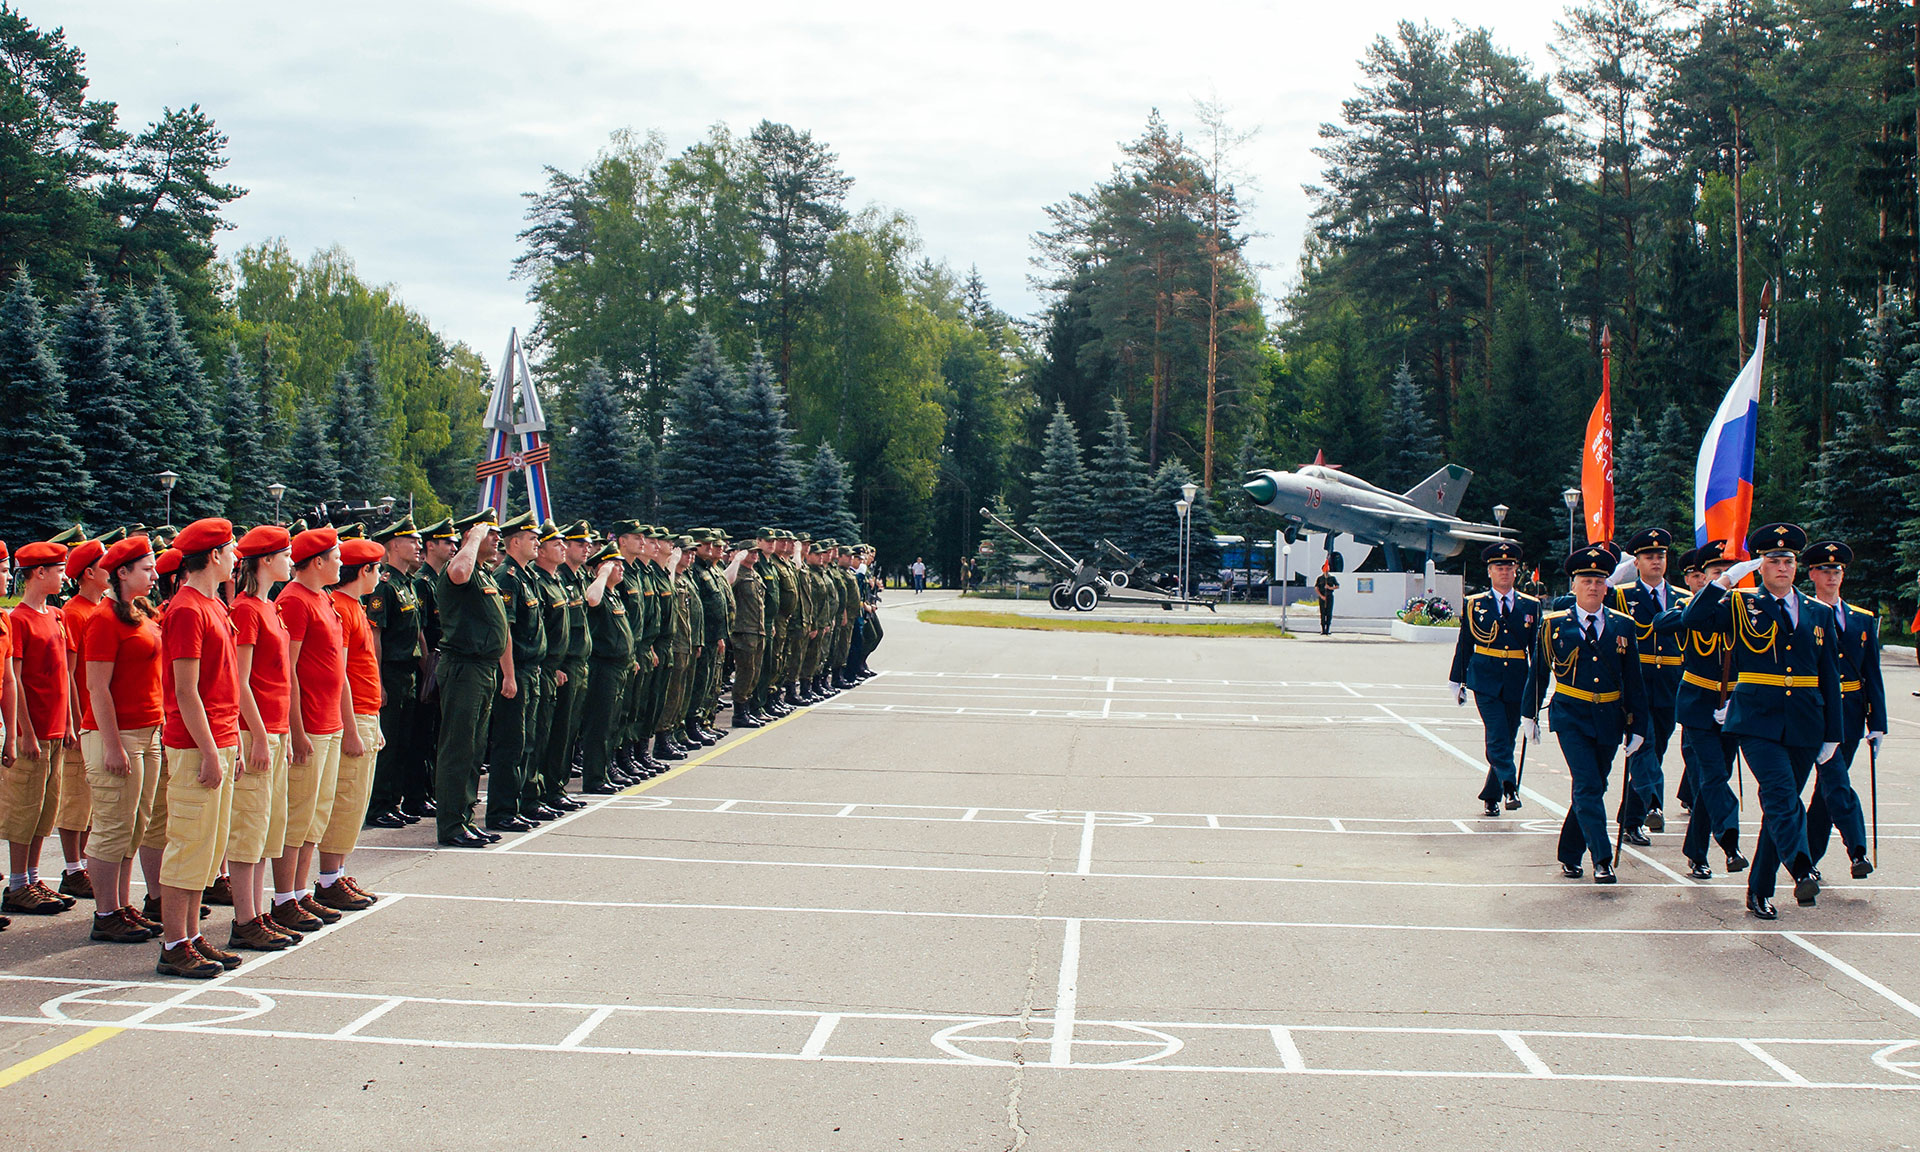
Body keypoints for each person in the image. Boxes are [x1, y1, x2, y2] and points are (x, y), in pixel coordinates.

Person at [1681, 522, 1842, 919]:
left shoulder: (1819, 612)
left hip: (1805, 721)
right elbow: (1693, 619)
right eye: (1773, 560)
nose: (1782, 567)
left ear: (1796, 566)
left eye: (1788, 561)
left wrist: (1833, 733)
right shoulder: (1740, 604)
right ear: (1760, 566)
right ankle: (1802, 867)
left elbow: (1829, 676)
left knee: (1780, 810)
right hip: (1755, 719)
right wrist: (1726, 581)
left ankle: (1759, 890)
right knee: (1781, 794)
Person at [1523, 544, 1651, 885]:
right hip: (1571, 715)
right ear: (1574, 585)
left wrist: (1639, 725)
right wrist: (1529, 715)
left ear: (1607, 586)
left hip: (1609, 715)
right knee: (1589, 784)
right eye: (1586, 581)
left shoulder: (1623, 626)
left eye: (1598, 581)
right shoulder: (1554, 625)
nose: (1593, 587)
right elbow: (1539, 673)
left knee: (1593, 786)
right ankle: (1602, 858)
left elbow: (1634, 680)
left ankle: (1569, 852)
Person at [155, 518, 244, 978]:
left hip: (218, 738)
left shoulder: (212, 604)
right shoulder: (188, 609)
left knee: (207, 849)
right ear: (213, 556)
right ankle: (174, 944)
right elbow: (185, 691)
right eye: (230, 549)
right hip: (195, 744)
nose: (236, 556)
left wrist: (231, 742)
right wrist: (210, 751)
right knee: (188, 845)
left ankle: (190, 935)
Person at [80, 535, 168, 943]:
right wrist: (113, 746)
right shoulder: (103, 619)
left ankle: (121, 904)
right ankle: (106, 913)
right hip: (116, 735)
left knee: (136, 826)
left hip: (147, 732)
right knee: (112, 826)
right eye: (146, 569)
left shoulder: (140, 612)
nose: (154, 576)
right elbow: (97, 688)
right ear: (122, 572)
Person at [270, 526, 354, 936]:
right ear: (317, 561)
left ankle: (301, 892)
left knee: (315, 816)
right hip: (310, 724)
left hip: (329, 721)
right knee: (298, 814)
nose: (341, 563)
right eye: (336, 557)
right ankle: (284, 897)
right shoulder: (294, 600)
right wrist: (297, 729)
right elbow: (287, 670)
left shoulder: (323, 597)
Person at [226, 525, 301, 951]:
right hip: (255, 729)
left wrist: (282, 732)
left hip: (274, 730)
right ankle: (245, 919)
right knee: (248, 829)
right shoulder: (246, 610)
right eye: (285, 555)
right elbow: (240, 681)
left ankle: (257, 914)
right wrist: (256, 734)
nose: (290, 561)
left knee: (266, 830)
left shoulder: (269, 606)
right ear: (266, 561)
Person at [1664, 543, 1747, 880]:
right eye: (1715, 574)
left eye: (1728, 574)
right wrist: (1713, 593)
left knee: (1712, 783)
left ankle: (1696, 853)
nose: (1723, 579)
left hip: (1733, 707)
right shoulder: (1688, 609)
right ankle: (1730, 841)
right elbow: (1663, 623)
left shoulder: (1747, 613)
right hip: (1698, 707)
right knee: (1712, 776)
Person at [4, 540, 77, 916]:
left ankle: (33, 878)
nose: (64, 576)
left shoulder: (56, 615)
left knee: (46, 809)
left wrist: (68, 722)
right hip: (33, 731)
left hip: (55, 728)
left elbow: (64, 675)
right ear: (39, 573)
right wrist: (25, 732)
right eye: (59, 570)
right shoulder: (18, 619)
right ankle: (18, 884)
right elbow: (14, 679)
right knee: (25, 809)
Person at [312, 537, 385, 910]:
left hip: (365, 713)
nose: (380, 576)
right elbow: (338, 673)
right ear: (365, 570)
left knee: (355, 802)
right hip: (352, 715)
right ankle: (328, 878)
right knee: (344, 800)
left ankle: (338, 873)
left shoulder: (353, 605)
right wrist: (352, 729)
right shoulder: (341, 606)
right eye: (377, 569)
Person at [1800, 540, 1879, 881]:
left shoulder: (1862, 619)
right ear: (1812, 574)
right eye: (1824, 570)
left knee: (1826, 792)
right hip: (1814, 709)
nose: (1832, 576)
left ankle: (1807, 859)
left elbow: (1872, 673)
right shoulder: (1802, 614)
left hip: (1850, 714)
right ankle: (1857, 850)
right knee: (1836, 783)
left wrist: (1878, 723)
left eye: (1837, 570)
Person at [1605, 527, 1687, 845]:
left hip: (1669, 683)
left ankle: (1631, 819)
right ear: (1636, 562)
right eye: (1649, 556)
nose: (1656, 561)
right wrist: (1609, 580)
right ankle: (1652, 803)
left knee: (1658, 748)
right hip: (1635, 683)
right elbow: (1579, 602)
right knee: (1644, 743)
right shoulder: (1621, 596)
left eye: (1660, 556)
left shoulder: (1682, 598)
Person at [433, 510, 509, 847]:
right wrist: (475, 535)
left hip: (484, 669)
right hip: (464, 668)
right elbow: (459, 572)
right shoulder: (460, 569)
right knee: (458, 748)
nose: (496, 538)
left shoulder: (485, 574)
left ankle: (464, 817)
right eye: (491, 533)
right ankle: (451, 825)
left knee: (475, 750)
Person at [1449, 542, 1540, 817]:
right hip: (1485, 678)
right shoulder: (1475, 604)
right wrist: (1457, 681)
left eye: (1509, 567)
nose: (1504, 572)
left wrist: (1536, 691)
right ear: (1489, 571)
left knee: (1507, 738)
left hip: (1517, 678)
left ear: (1516, 571)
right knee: (1498, 734)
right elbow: (1465, 643)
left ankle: (1491, 795)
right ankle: (1510, 787)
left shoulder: (1531, 606)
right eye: (1499, 567)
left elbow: (1537, 651)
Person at [364, 516, 425, 830]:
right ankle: (379, 805)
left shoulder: (407, 583)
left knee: (403, 742)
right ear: (394, 546)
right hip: (390, 671)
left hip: (408, 672)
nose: (418, 546)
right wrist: (378, 682)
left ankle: (393, 802)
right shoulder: (384, 585)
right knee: (387, 745)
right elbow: (375, 635)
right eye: (411, 540)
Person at [486, 512, 544, 834]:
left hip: (530, 669)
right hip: (517, 669)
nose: (537, 542)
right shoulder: (507, 577)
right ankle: (502, 810)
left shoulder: (526, 575)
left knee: (526, 741)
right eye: (532, 538)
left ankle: (520, 803)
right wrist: (508, 675)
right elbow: (505, 630)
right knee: (510, 743)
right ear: (515, 542)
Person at [58, 537, 108, 899]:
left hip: (99, 717)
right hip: (84, 718)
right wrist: (74, 720)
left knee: (94, 801)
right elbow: (69, 672)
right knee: (76, 798)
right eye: (105, 564)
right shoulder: (74, 612)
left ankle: (86, 864)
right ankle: (73, 867)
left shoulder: (101, 608)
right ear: (89, 573)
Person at [728, 541, 766, 728]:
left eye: (756, 552)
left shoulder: (754, 574)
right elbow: (727, 583)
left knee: (755, 671)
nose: (755, 555)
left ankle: (748, 709)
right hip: (743, 630)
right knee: (745, 671)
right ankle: (739, 713)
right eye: (751, 552)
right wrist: (736, 561)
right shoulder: (738, 573)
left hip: (758, 629)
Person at [1314, 565, 1338, 636]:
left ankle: (1327, 629)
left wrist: (1330, 588)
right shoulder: (1320, 578)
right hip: (1322, 597)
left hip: (1329, 597)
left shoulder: (1332, 578)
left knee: (1329, 613)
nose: (1327, 570)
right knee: (1322, 613)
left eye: (1328, 568)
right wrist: (1321, 596)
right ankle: (1323, 630)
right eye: (1325, 569)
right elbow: (1316, 587)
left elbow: (1337, 586)